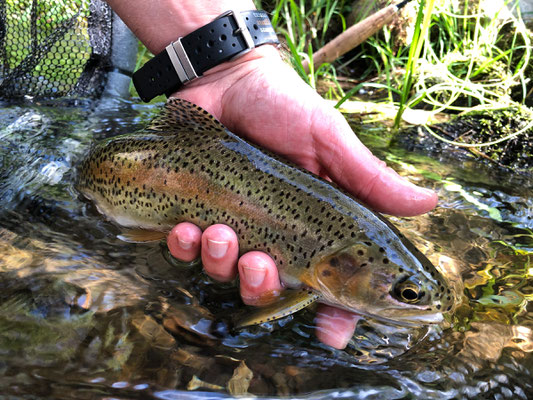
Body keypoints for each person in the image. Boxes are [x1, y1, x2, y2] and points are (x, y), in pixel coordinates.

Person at [106, 0, 438, 349]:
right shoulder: (336, 258)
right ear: (341, 265)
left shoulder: (348, 245)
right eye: (409, 294)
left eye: (410, 294)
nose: (422, 306)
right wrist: (234, 70)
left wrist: (234, 69)